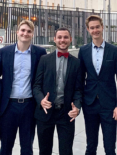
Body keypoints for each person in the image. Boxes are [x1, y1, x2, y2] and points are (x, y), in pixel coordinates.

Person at [78, 15, 117, 155]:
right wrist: (79, 102)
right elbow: (80, 79)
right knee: (90, 145)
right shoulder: (84, 51)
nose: (95, 30)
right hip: (90, 104)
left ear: (102, 27)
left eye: (97, 27)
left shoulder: (114, 51)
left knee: (110, 147)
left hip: (110, 105)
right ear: (88, 29)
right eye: (92, 28)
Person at [0, 20, 46, 155]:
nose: (25, 33)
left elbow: (44, 78)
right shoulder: (5, 52)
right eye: (23, 30)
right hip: (8, 107)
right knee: (5, 146)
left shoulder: (40, 53)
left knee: (27, 147)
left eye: (29, 31)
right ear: (17, 32)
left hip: (29, 106)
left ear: (32, 34)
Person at [33, 27, 82, 155]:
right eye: (59, 37)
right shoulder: (44, 59)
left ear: (70, 40)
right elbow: (36, 85)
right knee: (44, 151)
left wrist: (77, 107)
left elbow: (78, 89)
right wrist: (41, 100)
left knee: (66, 151)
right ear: (54, 39)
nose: (62, 40)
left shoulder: (77, 63)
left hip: (66, 113)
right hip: (45, 112)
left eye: (65, 37)